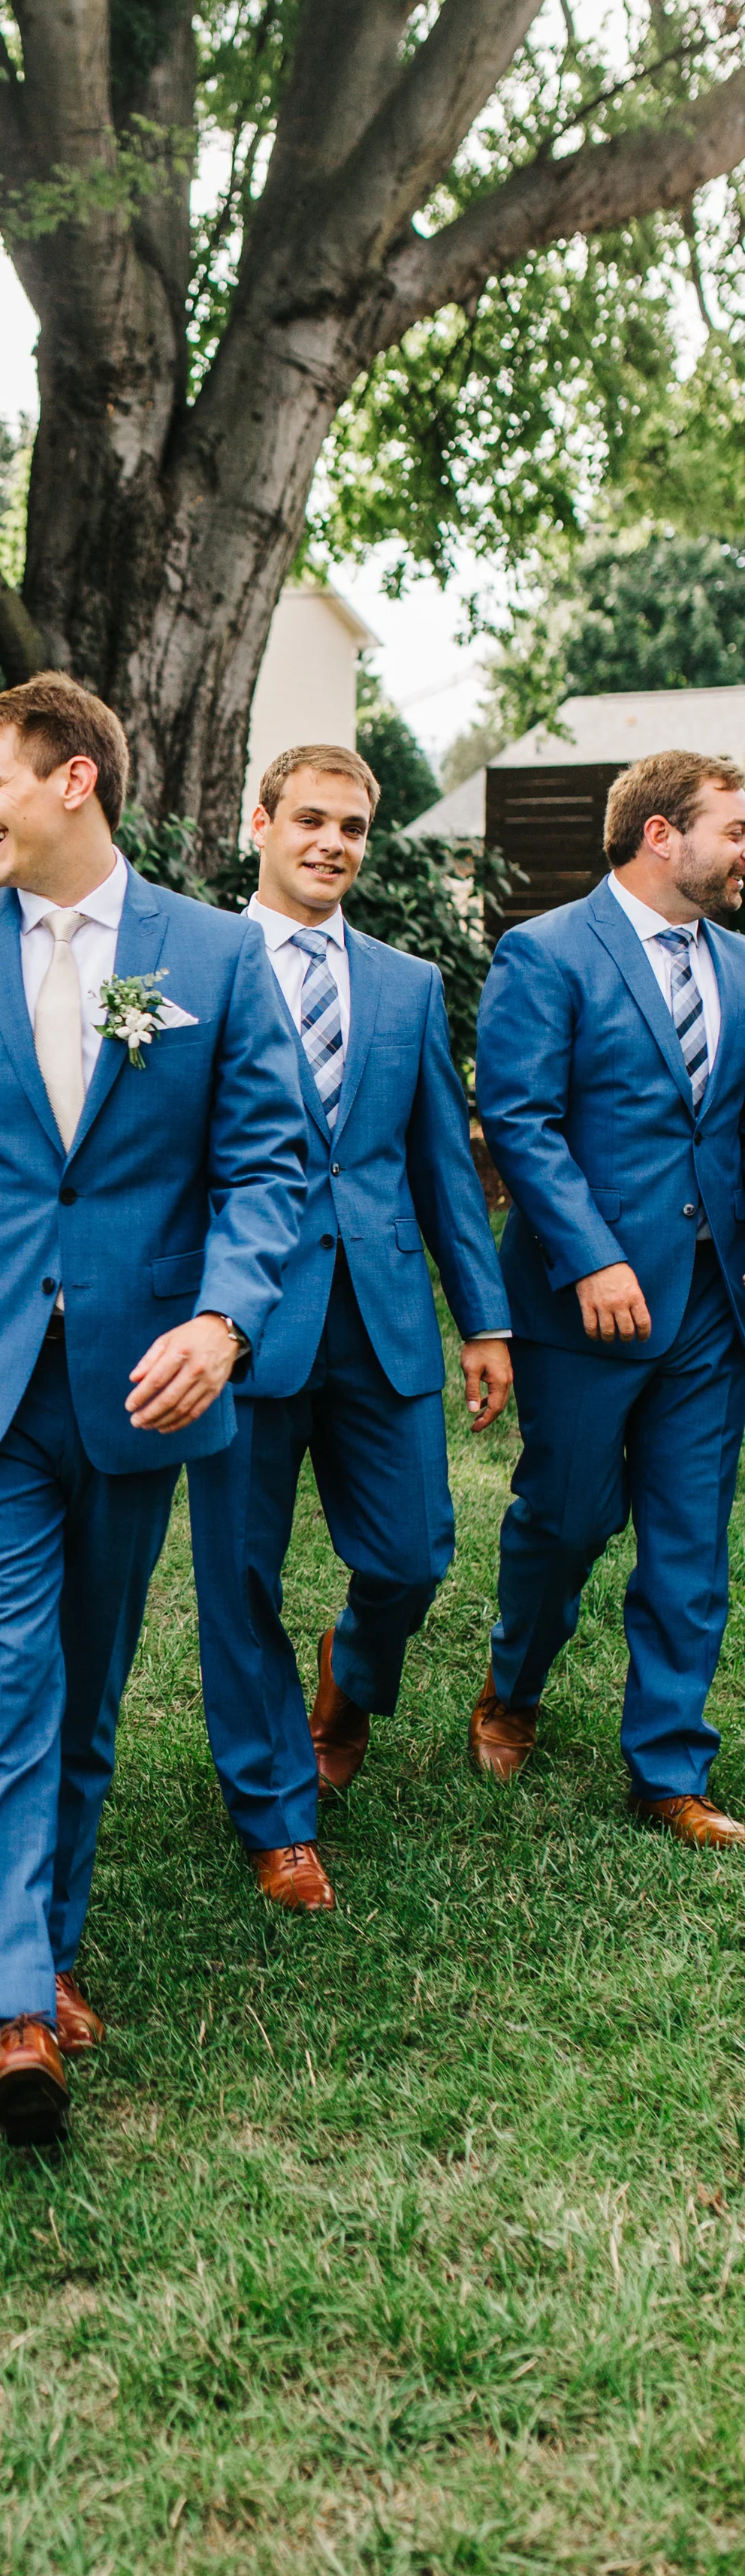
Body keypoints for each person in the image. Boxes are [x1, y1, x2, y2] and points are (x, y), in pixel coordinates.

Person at [0, 674, 309, 2149]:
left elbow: (267, 1164)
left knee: (84, 1693)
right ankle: (13, 2007)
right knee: (4, 1683)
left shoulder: (211, 956)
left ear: (73, 780)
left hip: (139, 1386)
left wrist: (222, 1323)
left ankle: (53, 1940)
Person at [182, 745, 512, 1897]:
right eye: (311, 820)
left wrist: (485, 1317)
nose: (333, 843)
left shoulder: (409, 983)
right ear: (261, 823)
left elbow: (440, 1165)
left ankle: (352, 1668)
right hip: (241, 1318)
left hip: (379, 1313)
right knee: (240, 1575)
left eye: (355, 827)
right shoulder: (194, 963)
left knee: (417, 1550)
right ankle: (275, 1811)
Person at [474, 750, 745, 1839]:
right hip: (582, 1303)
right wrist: (591, 1255)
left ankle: (669, 1769)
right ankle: (514, 1683)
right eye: (736, 827)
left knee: (692, 1537)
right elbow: (522, 1119)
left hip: (714, 1301)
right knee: (570, 1517)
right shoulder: (544, 952)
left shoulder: (739, 960)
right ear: (661, 835)